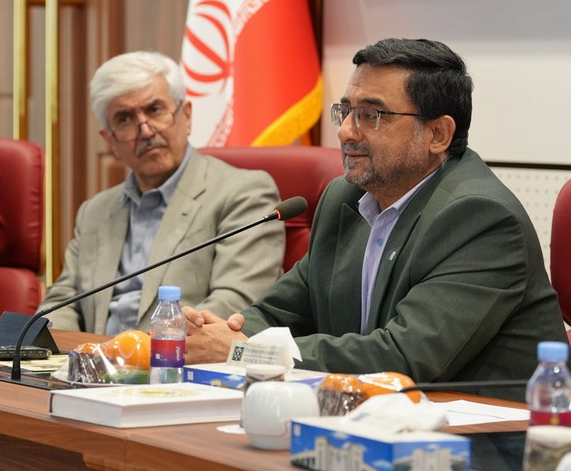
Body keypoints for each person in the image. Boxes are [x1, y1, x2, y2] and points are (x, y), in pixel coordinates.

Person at [184, 38, 566, 392]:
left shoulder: (480, 219)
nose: (346, 132)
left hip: (486, 432)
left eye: (370, 115)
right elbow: (277, 313)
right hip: (369, 417)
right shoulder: (345, 199)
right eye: (345, 112)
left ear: (437, 134)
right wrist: (214, 335)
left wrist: (245, 352)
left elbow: (403, 358)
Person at [37, 50, 285, 335]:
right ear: (110, 140)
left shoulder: (243, 193)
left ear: (186, 116)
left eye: (154, 110)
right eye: (125, 118)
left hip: (178, 359)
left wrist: (138, 350)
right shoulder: (95, 211)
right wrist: (56, 347)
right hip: (93, 359)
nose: (145, 130)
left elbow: (235, 304)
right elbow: (62, 302)